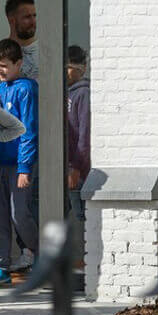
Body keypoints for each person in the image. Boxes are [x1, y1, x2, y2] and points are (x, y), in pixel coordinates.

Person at [0, 39, 39, 289]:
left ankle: (40, 253)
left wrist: (25, 166)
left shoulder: (26, 88)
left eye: (5, 65)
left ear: (19, 63)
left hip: (18, 164)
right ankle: (2, 267)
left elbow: (29, 129)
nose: (0, 70)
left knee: (20, 214)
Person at [0, 0, 38, 84]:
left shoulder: (47, 52)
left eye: (34, 16)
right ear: (12, 20)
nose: (33, 21)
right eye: (27, 17)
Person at [66, 45, 91, 227]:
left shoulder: (83, 93)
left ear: (81, 68)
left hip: (79, 171)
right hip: (65, 168)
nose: (65, 73)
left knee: (81, 218)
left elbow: (85, 135)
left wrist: (76, 169)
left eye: (68, 68)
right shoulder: (65, 92)